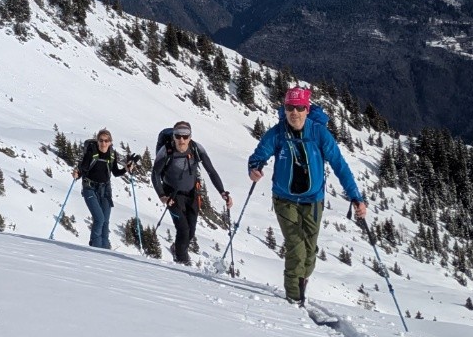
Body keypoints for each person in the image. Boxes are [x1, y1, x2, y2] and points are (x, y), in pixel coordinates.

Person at [247, 86, 367, 305]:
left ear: (307, 109)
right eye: (290, 107)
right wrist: (254, 169)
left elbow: (340, 165)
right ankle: (294, 300)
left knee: (310, 252)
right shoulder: (277, 133)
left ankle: (301, 280)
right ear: (285, 108)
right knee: (296, 248)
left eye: (300, 107)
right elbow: (258, 156)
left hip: (313, 201)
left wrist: (355, 196)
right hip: (284, 200)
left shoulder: (319, 133)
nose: (295, 112)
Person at [152, 121, 229, 265]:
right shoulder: (166, 151)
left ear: (190, 136)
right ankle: (183, 263)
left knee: (191, 231)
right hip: (172, 195)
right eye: (178, 136)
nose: (182, 140)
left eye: (185, 136)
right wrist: (162, 195)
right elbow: (155, 174)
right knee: (183, 229)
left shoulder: (196, 149)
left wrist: (222, 192)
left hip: (192, 194)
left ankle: (177, 249)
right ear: (174, 137)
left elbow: (211, 171)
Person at [72, 129, 129, 249]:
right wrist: (77, 174)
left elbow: (116, 172)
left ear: (110, 142)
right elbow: (84, 168)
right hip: (90, 188)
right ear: (98, 141)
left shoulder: (112, 154)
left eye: (106, 141)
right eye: (101, 140)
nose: (103, 143)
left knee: (105, 221)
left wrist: (126, 169)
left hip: (105, 190)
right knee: (99, 218)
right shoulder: (92, 152)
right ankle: (96, 247)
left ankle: (105, 247)